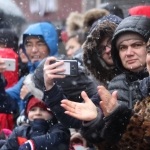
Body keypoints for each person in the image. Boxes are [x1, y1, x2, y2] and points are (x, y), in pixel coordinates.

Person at [60, 15, 150, 149]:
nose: (129, 53)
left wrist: (118, 118)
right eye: (122, 47)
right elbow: (116, 145)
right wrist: (96, 122)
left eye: (136, 45)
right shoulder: (113, 86)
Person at [5, 22, 58, 112]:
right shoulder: (27, 78)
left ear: (51, 45)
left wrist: (30, 96)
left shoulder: (61, 74)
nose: (34, 50)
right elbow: (5, 102)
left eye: (40, 44)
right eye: (29, 45)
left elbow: (63, 112)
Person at [0, 96, 70, 150]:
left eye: (43, 110)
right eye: (33, 109)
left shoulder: (59, 130)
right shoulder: (19, 132)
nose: (38, 113)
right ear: (27, 113)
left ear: (53, 113)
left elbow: (57, 140)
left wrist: (32, 144)